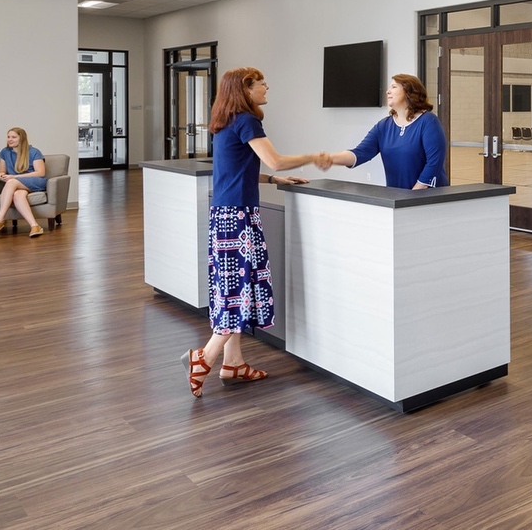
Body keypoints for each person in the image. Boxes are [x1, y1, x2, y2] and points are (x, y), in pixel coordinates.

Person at [182, 67, 332, 398]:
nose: (267, 86)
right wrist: (312, 157)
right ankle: (203, 357)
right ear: (246, 90)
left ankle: (233, 363)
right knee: (240, 292)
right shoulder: (248, 121)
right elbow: (274, 160)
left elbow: (237, 170)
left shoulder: (225, 121)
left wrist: (272, 181)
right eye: (261, 83)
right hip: (238, 217)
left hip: (224, 214)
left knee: (233, 288)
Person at [328, 74, 448, 190]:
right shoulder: (384, 126)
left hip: (428, 197)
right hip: (398, 197)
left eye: (394, 87)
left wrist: (417, 191)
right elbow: (361, 153)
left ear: (409, 92)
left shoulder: (428, 121)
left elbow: (434, 161)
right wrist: (329, 158)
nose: (388, 91)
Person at [0, 127, 49, 237]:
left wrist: (15, 177)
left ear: (22, 139)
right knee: (18, 194)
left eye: (14, 137)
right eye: (8, 137)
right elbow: (1, 170)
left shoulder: (34, 152)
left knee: (11, 182)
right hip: (17, 184)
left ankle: (0, 219)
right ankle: (35, 226)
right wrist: (2, 175)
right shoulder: (4, 152)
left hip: (35, 181)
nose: (10, 139)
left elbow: (41, 172)